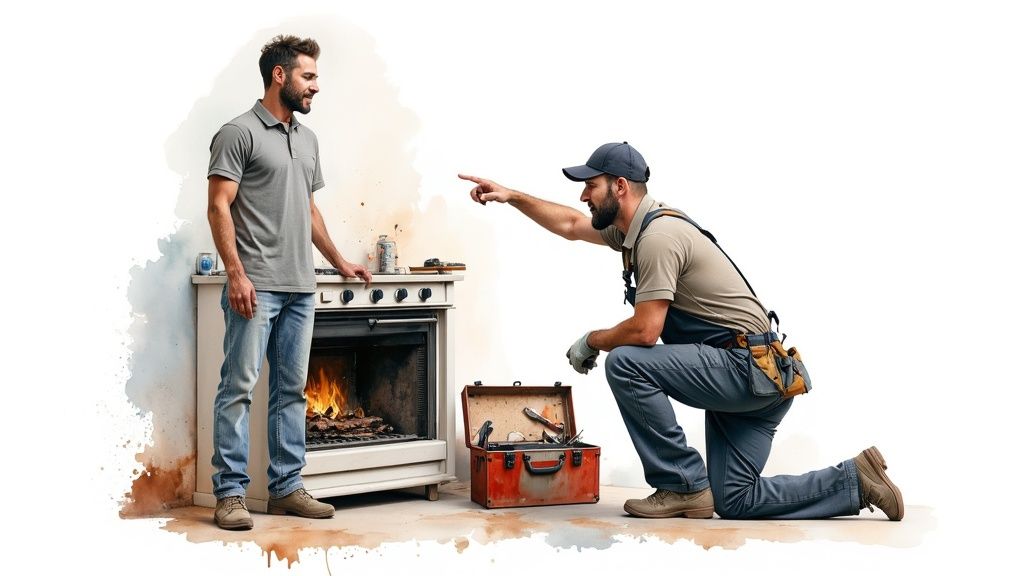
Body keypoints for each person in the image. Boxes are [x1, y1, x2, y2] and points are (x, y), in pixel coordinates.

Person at [459, 142, 904, 521]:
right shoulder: (633, 231)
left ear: (620, 187)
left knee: (627, 362)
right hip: (758, 377)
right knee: (736, 500)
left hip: (744, 368)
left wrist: (592, 340)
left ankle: (683, 484)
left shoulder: (658, 237)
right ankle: (856, 481)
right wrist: (511, 196)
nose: (583, 195)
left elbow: (646, 330)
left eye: (591, 185)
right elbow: (571, 226)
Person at [206, 35, 372, 530]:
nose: (315, 86)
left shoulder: (307, 139)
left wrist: (339, 261)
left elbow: (309, 208)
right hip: (255, 286)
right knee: (238, 388)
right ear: (279, 75)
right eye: (308, 76)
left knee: (291, 391)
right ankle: (230, 494)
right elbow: (218, 206)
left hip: (301, 287)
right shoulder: (237, 133)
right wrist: (236, 274)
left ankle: (286, 487)